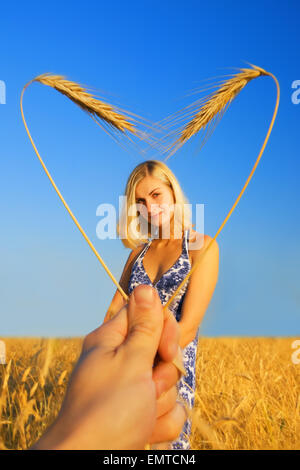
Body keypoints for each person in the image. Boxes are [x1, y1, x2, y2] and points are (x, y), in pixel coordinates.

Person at [105, 160, 220, 450]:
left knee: (165, 448)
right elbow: (113, 311)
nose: (149, 206)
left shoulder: (201, 247)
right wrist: (116, 362)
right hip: (129, 369)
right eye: (140, 201)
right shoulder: (137, 254)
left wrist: (147, 361)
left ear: (173, 193)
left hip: (170, 370)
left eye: (156, 195)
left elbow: (189, 327)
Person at [29, 284, 188, 450]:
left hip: (163, 351)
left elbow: (189, 323)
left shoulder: (201, 257)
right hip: (130, 350)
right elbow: (114, 307)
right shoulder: (136, 256)